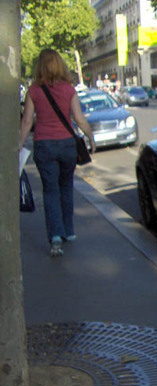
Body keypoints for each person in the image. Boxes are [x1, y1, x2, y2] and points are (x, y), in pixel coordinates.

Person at [19, 49, 96, 257]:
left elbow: (27, 121)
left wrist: (18, 145)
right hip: (67, 145)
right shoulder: (69, 90)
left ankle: (55, 237)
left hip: (44, 145)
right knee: (66, 187)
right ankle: (69, 231)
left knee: (50, 191)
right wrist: (90, 137)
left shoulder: (34, 91)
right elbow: (79, 119)